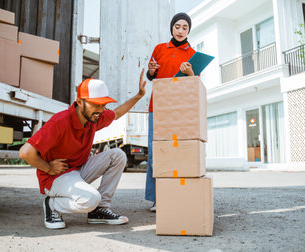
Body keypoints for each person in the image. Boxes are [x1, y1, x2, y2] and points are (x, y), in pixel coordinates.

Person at [19, 70, 146, 229]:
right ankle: (53, 205)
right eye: (95, 104)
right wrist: (48, 167)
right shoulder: (60, 122)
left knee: (118, 155)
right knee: (91, 199)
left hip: (77, 171)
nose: (100, 110)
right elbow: (25, 152)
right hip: (55, 177)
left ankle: (100, 210)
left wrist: (139, 95)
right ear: (79, 102)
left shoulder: (93, 118)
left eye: (103, 105)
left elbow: (117, 113)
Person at [145, 12, 196, 212]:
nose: (181, 30)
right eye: (177, 26)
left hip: (179, 109)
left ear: (189, 30)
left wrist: (191, 73)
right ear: (172, 28)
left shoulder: (192, 53)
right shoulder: (159, 49)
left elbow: (194, 84)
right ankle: (156, 198)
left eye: (185, 27)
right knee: (155, 153)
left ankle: (173, 194)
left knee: (175, 153)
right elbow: (151, 76)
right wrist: (150, 70)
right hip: (156, 106)